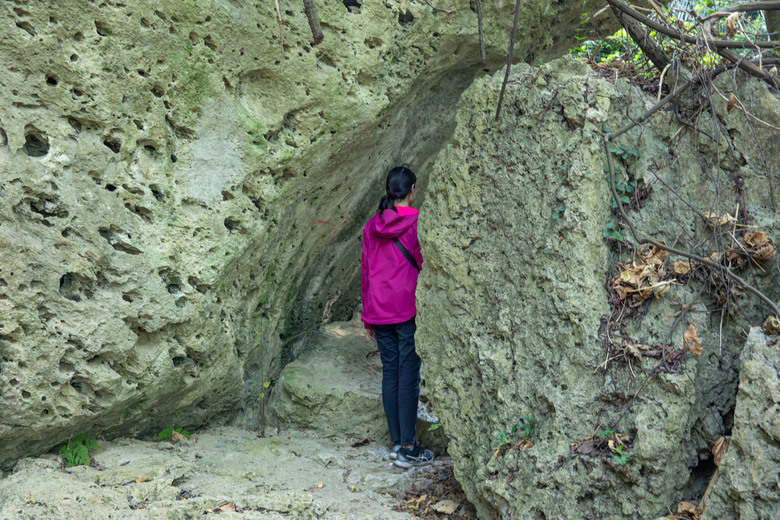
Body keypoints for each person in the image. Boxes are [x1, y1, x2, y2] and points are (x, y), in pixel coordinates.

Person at [361, 165, 434, 469]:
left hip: (378, 308)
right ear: (412, 190)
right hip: (406, 308)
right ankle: (408, 447)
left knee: (391, 371)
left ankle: (396, 442)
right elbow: (425, 264)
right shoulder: (417, 223)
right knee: (409, 374)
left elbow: (365, 271)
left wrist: (367, 317)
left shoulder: (371, 226)